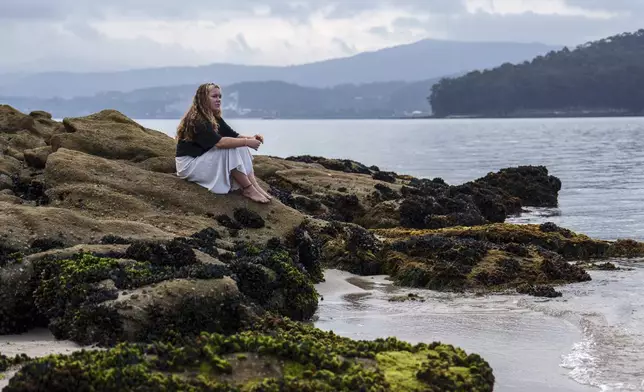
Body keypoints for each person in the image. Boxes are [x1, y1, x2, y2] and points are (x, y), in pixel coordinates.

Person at [174, 82, 272, 203]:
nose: (218, 100)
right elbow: (220, 143)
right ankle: (248, 188)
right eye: (214, 96)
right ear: (203, 98)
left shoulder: (213, 116)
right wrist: (246, 142)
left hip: (200, 158)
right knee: (229, 148)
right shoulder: (197, 120)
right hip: (188, 165)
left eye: (220, 96)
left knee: (240, 145)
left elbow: (233, 135)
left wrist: (251, 138)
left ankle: (254, 185)